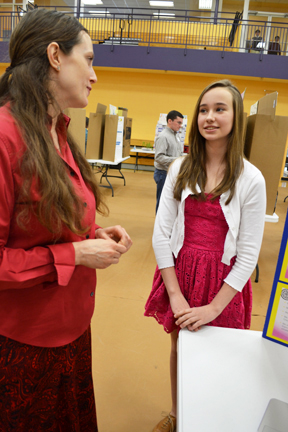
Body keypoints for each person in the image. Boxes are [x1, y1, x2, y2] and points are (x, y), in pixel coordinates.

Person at [0, 9, 132, 432]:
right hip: (23, 346)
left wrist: (92, 234)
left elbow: (44, 220)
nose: (94, 74)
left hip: (71, 332)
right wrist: (74, 253)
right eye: (89, 59)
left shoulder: (57, 132)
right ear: (55, 55)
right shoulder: (6, 136)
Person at [144, 79, 266, 432]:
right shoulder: (181, 168)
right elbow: (160, 234)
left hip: (223, 283)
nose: (209, 117)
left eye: (219, 109)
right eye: (203, 110)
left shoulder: (251, 179)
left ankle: (211, 421)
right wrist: (175, 294)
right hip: (181, 275)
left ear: (236, 117)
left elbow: (247, 254)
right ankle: (178, 414)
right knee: (180, 347)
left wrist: (214, 307)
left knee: (221, 356)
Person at [154, 110, 184, 212]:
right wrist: (178, 160)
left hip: (171, 173)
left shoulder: (176, 135)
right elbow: (159, 157)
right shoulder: (163, 136)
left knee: (169, 202)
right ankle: (159, 225)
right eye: (178, 123)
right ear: (170, 121)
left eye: (181, 123)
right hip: (163, 174)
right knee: (162, 201)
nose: (180, 126)